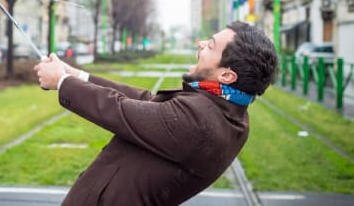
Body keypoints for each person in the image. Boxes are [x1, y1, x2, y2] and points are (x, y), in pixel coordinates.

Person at [34, 21, 278, 206]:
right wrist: (75, 74)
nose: (200, 44)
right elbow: (146, 102)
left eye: (210, 46)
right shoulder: (224, 111)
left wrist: (62, 81)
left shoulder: (202, 121)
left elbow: (121, 111)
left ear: (226, 75)